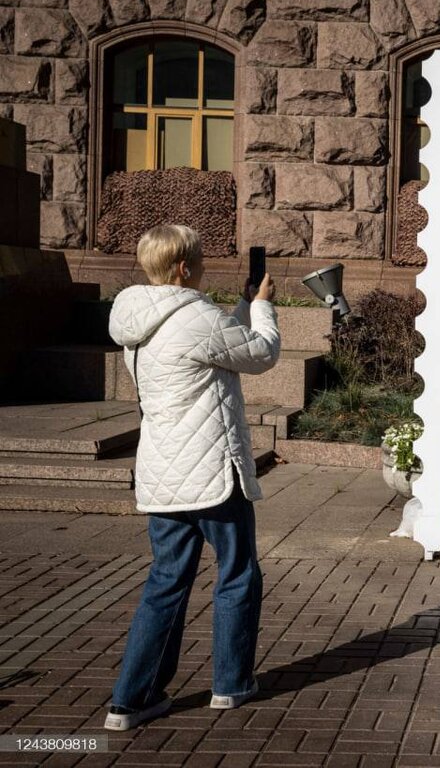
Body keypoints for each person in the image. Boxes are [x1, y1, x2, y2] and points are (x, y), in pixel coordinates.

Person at [104, 225, 281, 730]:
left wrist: (242, 308)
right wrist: (263, 307)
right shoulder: (195, 315)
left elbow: (216, 344)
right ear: (184, 267)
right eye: (200, 259)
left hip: (163, 473)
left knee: (166, 580)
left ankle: (130, 701)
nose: (203, 266)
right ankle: (231, 684)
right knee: (237, 573)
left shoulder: (135, 318)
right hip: (211, 471)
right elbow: (261, 353)